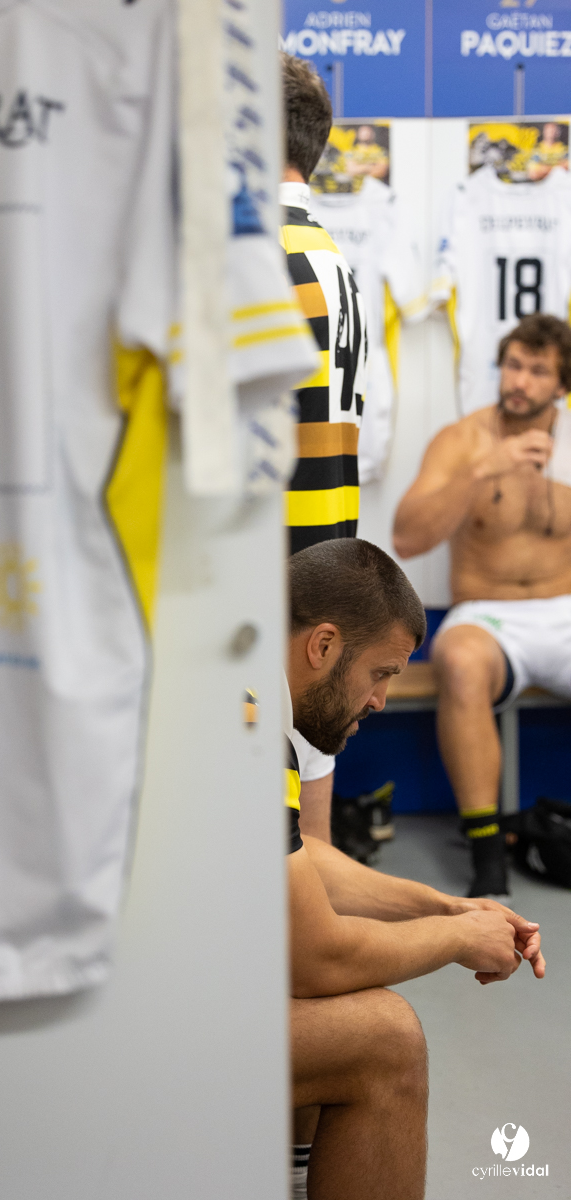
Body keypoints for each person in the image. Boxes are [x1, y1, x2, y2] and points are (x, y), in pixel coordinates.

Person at [285, 539, 545, 1200]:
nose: (380, 700)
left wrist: (451, 909)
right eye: (381, 672)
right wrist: (461, 942)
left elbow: (310, 857)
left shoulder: (250, 703)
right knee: (386, 1040)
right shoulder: (246, 730)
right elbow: (318, 958)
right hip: (126, 1026)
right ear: (323, 646)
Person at [393, 313, 571, 896]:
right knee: (462, 663)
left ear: (561, 385)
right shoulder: (463, 441)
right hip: (488, 616)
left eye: (537, 371)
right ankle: (488, 856)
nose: (519, 381)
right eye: (513, 365)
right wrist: (480, 474)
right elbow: (406, 537)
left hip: (563, 608)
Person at [279, 53, 369, 844]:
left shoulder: (258, 250)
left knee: (286, 882)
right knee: (311, 859)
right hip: (322, 566)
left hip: (271, 591)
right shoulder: (328, 251)